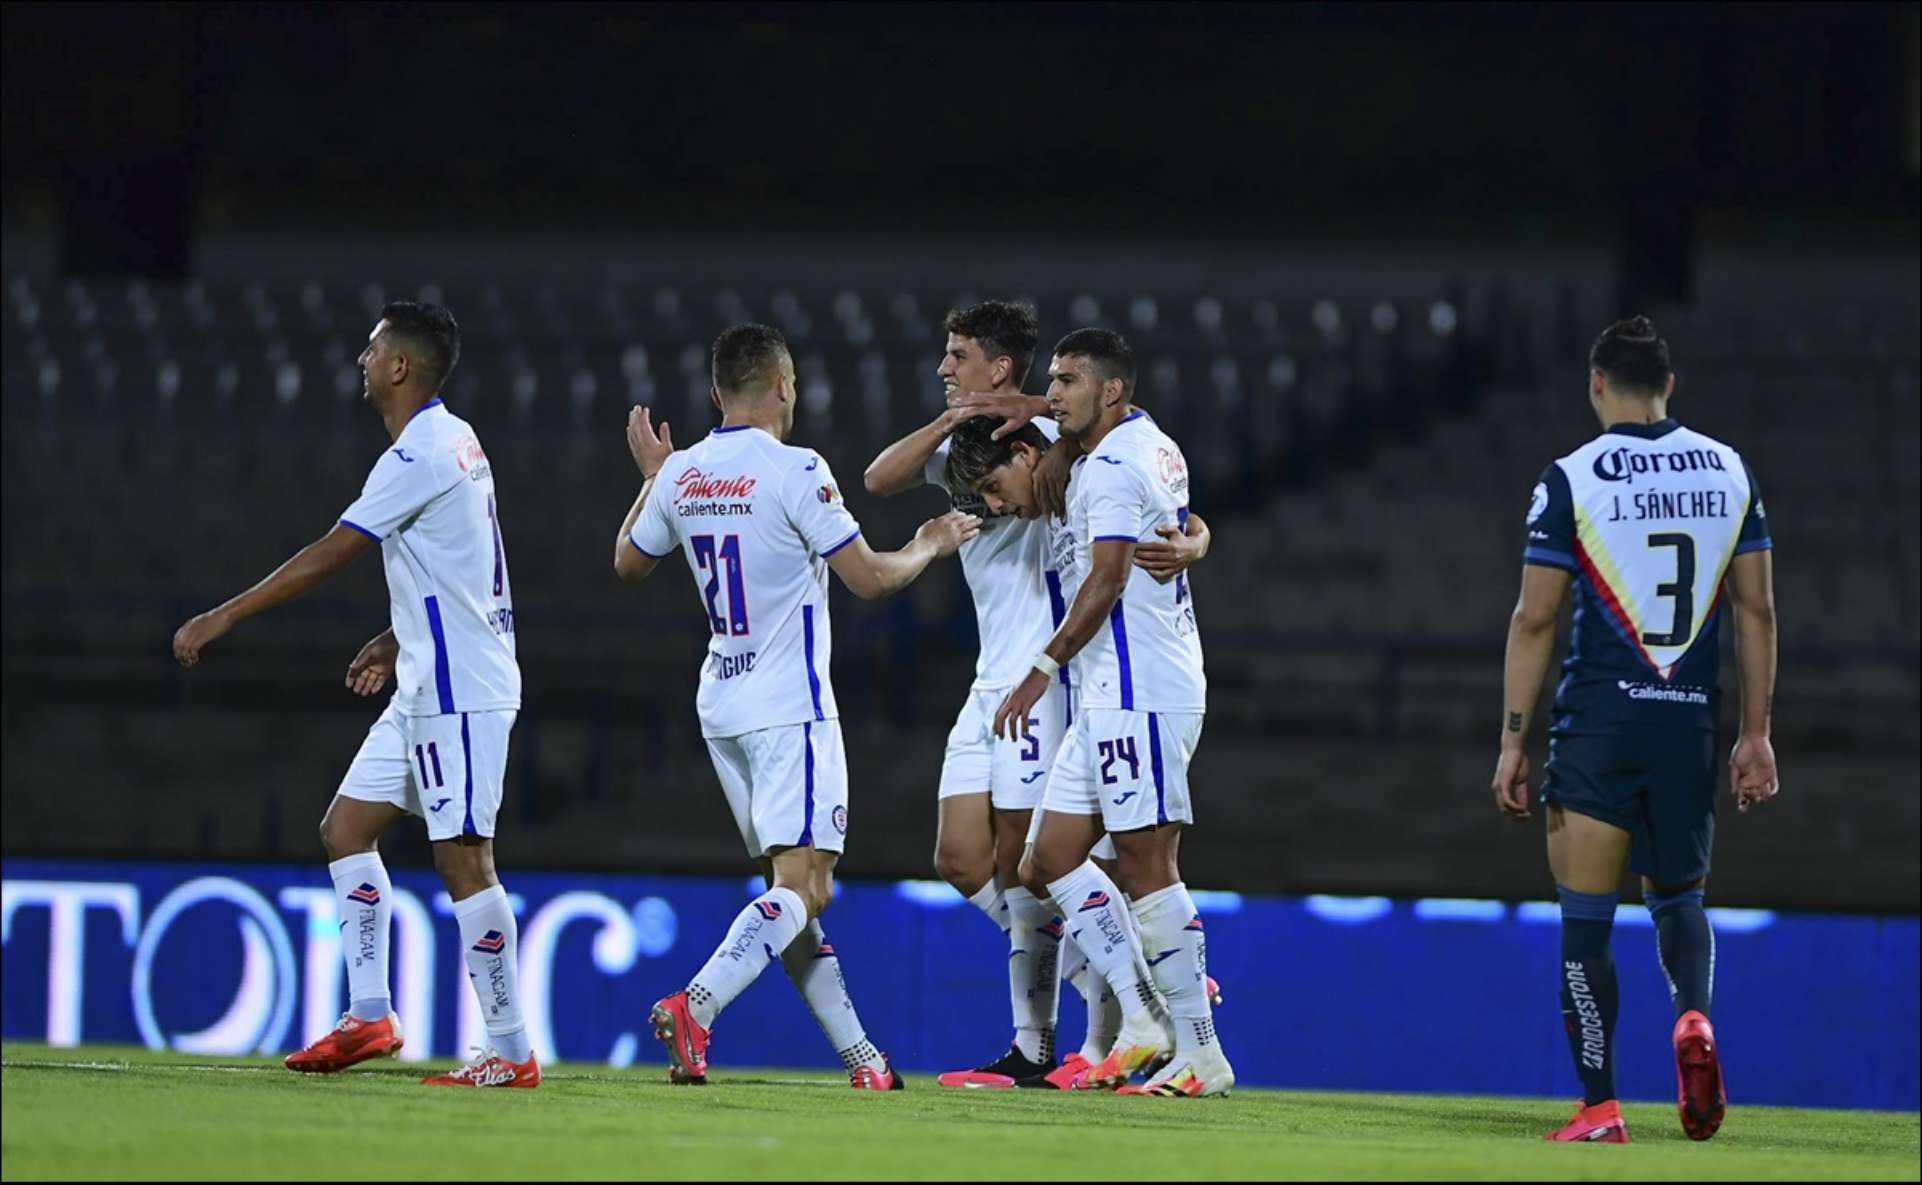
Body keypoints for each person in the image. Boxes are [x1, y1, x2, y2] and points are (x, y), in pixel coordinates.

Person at [172, 301, 538, 1088]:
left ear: (401, 366)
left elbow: (328, 553)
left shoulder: (419, 455)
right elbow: (459, 566)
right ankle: (370, 1012)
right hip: (424, 679)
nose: (361, 360)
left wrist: (223, 614)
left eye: (372, 349)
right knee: (346, 829)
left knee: (465, 858)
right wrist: (398, 632)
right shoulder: (456, 440)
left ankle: (511, 1049)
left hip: (460, 689)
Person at [614, 323, 977, 1089]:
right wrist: (929, 542)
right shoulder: (797, 469)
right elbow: (871, 579)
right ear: (784, 385)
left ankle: (864, 1060)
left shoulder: (682, 474)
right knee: (804, 888)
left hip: (722, 702)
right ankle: (697, 1005)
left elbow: (628, 562)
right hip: (789, 704)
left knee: (791, 891)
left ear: (717, 393)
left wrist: (655, 477)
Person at [863, 301, 1213, 1089]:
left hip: (1058, 671)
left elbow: (1155, 509)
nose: (945, 367)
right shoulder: (966, 443)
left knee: (1043, 860)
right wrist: (956, 415)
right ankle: (1122, 979)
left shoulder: (1068, 441)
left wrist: (1194, 537)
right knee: (963, 857)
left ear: (998, 364)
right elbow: (878, 478)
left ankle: (1072, 1037)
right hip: (1000, 673)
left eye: (957, 356)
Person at [1493, 316, 1778, 1143]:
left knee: (1586, 922)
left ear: (1595, 385)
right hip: (1688, 723)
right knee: (1679, 897)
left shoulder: (1572, 477)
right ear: (1669, 388)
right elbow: (1757, 608)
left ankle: (1601, 1107)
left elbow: (1535, 618)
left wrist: (1514, 738)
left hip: (1599, 725)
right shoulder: (1731, 470)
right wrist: (1754, 732)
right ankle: (1693, 1015)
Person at [989, 328, 1230, 1098]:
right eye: (1051, 380)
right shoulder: (1141, 441)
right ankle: (1143, 1017)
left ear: (1111, 390)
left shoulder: (1119, 464)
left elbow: (1107, 579)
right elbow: (1177, 523)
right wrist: (1199, 538)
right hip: (1109, 691)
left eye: (1065, 380)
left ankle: (1201, 1051)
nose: (1051, 394)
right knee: (1046, 860)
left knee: (1147, 865)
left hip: (1139, 685)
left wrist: (1040, 669)